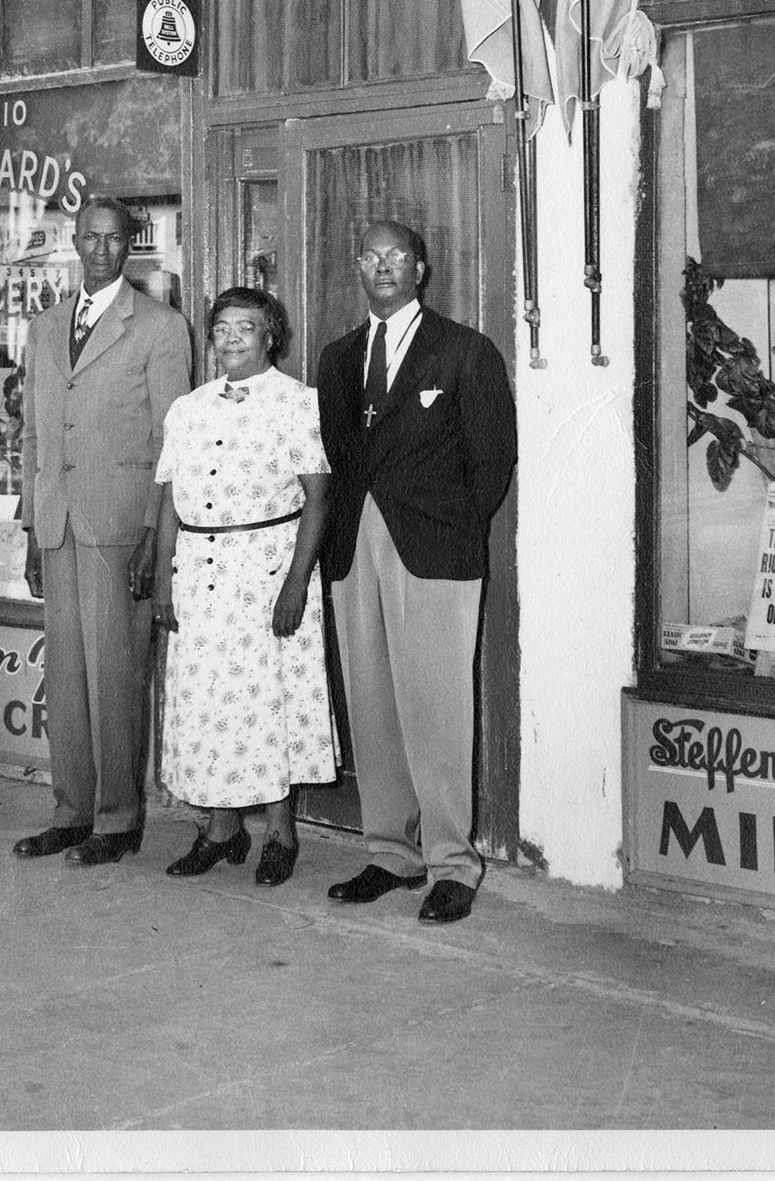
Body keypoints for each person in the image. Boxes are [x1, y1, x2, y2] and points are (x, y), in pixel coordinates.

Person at [316, 219, 516, 924]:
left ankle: (452, 864)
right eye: (369, 256)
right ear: (357, 268)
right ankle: (388, 853)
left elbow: (491, 463)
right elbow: (336, 461)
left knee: (436, 707)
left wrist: (453, 525)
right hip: (352, 550)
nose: (383, 267)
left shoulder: (465, 351)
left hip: (432, 550)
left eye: (397, 256)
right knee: (370, 703)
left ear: (420, 269)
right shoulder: (337, 359)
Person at [13, 197, 192, 867]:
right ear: (73, 242)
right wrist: (32, 523)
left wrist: (155, 533)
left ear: (130, 246)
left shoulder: (159, 327)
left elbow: (172, 441)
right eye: (88, 237)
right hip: (58, 521)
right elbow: (34, 432)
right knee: (65, 676)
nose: (99, 250)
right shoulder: (45, 326)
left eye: (114, 239)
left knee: (116, 675)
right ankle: (71, 810)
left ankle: (118, 821)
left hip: (120, 526)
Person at [152, 287, 338, 887]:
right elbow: (168, 503)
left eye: (247, 328)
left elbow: (319, 500)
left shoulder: (297, 403)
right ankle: (221, 828)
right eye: (223, 328)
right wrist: (162, 582)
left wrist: (294, 585)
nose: (232, 338)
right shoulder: (188, 409)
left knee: (264, 703)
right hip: (199, 574)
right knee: (208, 703)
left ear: (270, 336)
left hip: (266, 575)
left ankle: (280, 833)